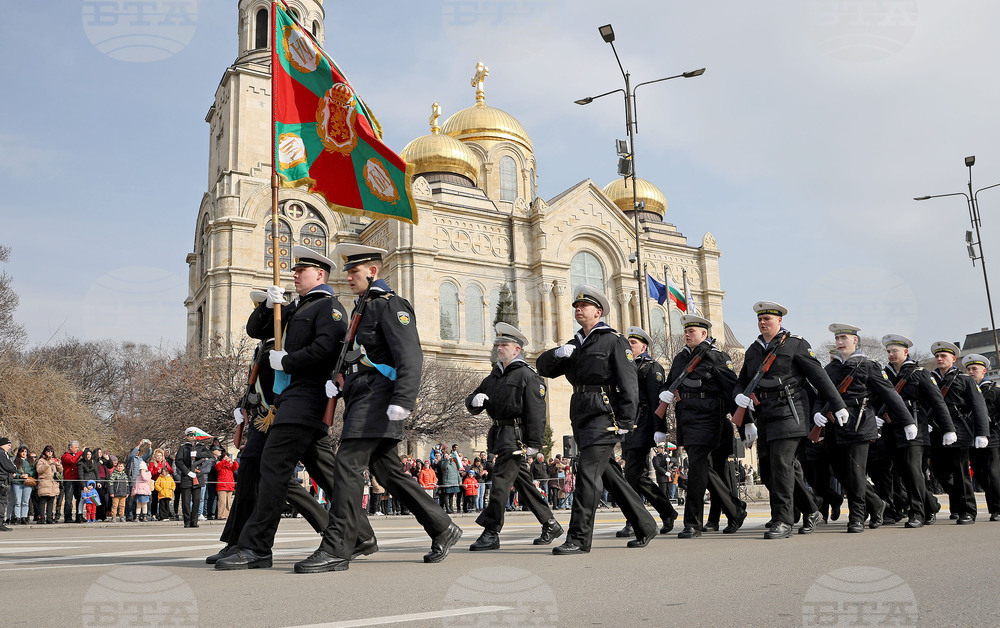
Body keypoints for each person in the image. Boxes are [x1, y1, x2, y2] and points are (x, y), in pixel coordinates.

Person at [293, 243, 461, 573]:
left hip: (378, 401)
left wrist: (404, 400)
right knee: (388, 473)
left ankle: (339, 545)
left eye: (354, 272)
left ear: (373, 272)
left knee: (346, 466)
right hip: (361, 398)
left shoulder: (389, 305)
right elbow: (356, 359)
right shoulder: (361, 309)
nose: (348, 277)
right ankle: (442, 526)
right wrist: (337, 382)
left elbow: (409, 355)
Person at [536, 284, 658, 554]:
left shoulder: (613, 340)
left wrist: (626, 421)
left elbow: (629, 382)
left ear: (598, 311)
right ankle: (645, 524)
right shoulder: (576, 343)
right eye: (576, 307)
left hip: (605, 415)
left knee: (588, 474)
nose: (578, 309)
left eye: (584, 306)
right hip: (581, 414)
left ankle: (578, 538)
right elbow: (543, 368)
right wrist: (557, 353)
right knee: (610, 475)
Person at [735, 301, 847, 539]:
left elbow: (820, 378)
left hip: (791, 411)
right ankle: (811, 508)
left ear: (780, 321)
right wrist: (739, 399)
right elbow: (742, 379)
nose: (763, 323)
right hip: (766, 414)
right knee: (768, 470)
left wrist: (838, 405)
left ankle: (783, 520)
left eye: (768, 319)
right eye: (760, 319)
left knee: (781, 463)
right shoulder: (753, 350)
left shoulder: (795, 344)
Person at [465, 322, 562, 551]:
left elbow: (537, 413)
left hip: (515, 436)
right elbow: (475, 398)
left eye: (504, 344)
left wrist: (535, 444)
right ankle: (550, 523)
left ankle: (491, 532)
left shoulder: (527, 376)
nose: (499, 347)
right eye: (497, 344)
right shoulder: (494, 376)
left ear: (516, 349)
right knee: (523, 483)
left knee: (500, 483)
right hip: (499, 434)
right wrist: (473, 401)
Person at [817, 324, 913, 533]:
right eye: (837, 338)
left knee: (856, 472)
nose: (840, 342)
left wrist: (908, 421)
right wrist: (817, 412)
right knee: (839, 471)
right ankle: (876, 502)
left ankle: (857, 516)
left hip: (859, 423)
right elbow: (821, 395)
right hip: (836, 425)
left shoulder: (868, 365)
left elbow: (889, 394)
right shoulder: (831, 368)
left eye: (844, 338)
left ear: (855, 341)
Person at [660, 315, 747, 537]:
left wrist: (747, 423)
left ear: (704, 334)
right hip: (686, 419)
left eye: (692, 331)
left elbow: (732, 391)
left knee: (698, 467)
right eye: (686, 331)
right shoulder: (680, 358)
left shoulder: (716, 357)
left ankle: (693, 522)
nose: (687, 334)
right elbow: (672, 384)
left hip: (709, 418)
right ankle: (735, 509)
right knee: (701, 469)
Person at [881, 334, 950, 527]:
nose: (891, 354)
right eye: (888, 351)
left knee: (913, 470)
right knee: (902, 472)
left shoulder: (919, 373)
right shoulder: (885, 374)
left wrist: (947, 428)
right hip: (892, 429)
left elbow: (937, 402)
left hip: (915, 428)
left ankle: (917, 513)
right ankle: (931, 504)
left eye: (895, 351)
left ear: (906, 352)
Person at [617, 326, 680, 539]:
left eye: (633, 343)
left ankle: (634, 520)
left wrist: (660, 429)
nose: (630, 347)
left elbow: (657, 401)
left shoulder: (652, 368)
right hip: (628, 426)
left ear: (643, 346)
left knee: (632, 475)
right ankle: (667, 511)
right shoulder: (624, 367)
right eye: (628, 343)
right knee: (636, 476)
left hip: (643, 425)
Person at [929, 341, 990, 524]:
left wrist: (982, 433)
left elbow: (979, 407)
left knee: (960, 472)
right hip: (937, 430)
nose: (939, 359)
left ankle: (968, 511)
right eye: (937, 356)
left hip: (959, 430)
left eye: (943, 356)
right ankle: (957, 503)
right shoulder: (931, 379)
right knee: (939, 472)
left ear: (953, 359)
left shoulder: (965, 380)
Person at [961, 353, 1000, 521]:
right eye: (968, 369)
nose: (970, 372)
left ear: (984, 371)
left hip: (993, 437)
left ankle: (997, 509)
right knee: (979, 473)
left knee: (993, 473)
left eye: (974, 369)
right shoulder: (964, 392)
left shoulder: (995, 391)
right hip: (972, 438)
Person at [176, 427, 214, 528]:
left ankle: (194, 521)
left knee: (197, 500)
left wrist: (197, 454)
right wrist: (188, 472)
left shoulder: (201, 446)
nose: (192, 437)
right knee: (186, 501)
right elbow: (178, 461)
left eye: (194, 435)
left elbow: (210, 454)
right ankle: (187, 521)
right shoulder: (183, 447)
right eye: (190, 435)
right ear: (187, 437)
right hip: (187, 476)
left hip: (197, 475)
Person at [34, 446, 62, 524]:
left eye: (51, 451)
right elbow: (39, 470)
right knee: (42, 502)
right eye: (48, 451)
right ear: (45, 452)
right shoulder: (41, 460)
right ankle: (41, 518)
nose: (50, 453)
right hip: (44, 484)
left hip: (53, 484)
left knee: (51, 502)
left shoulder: (54, 460)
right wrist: (48, 463)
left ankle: (49, 518)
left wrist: (58, 464)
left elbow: (60, 470)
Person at [10, 445, 35, 525]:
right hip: (17, 482)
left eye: (25, 451)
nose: (24, 453)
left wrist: (28, 474)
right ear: (19, 452)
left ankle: (24, 517)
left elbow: (34, 470)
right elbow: (13, 472)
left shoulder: (30, 461)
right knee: (17, 501)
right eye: (22, 451)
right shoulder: (15, 461)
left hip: (28, 483)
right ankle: (17, 517)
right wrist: (19, 476)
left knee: (25, 501)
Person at [59, 441, 83, 523]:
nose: (77, 449)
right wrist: (80, 453)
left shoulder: (77, 456)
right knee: (69, 500)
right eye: (76, 447)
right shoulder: (65, 456)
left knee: (79, 498)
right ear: (70, 448)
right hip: (69, 480)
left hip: (77, 479)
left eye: (78, 448)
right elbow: (72, 460)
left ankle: (79, 515)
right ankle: (67, 517)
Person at [215, 452, 238, 520]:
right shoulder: (219, 464)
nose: (227, 458)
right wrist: (225, 461)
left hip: (230, 485)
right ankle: (220, 515)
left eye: (227, 456)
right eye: (225, 457)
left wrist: (234, 461)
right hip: (222, 485)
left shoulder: (230, 466)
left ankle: (227, 515)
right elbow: (218, 466)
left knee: (228, 502)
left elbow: (236, 467)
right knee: (222, 502)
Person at [0, 438, 15, 531]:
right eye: (8, 445)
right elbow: (9, 466)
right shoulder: (2, 453)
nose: (9, 447)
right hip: (2, 481)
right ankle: (0, 523)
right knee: (2, 502)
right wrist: (13, 470)